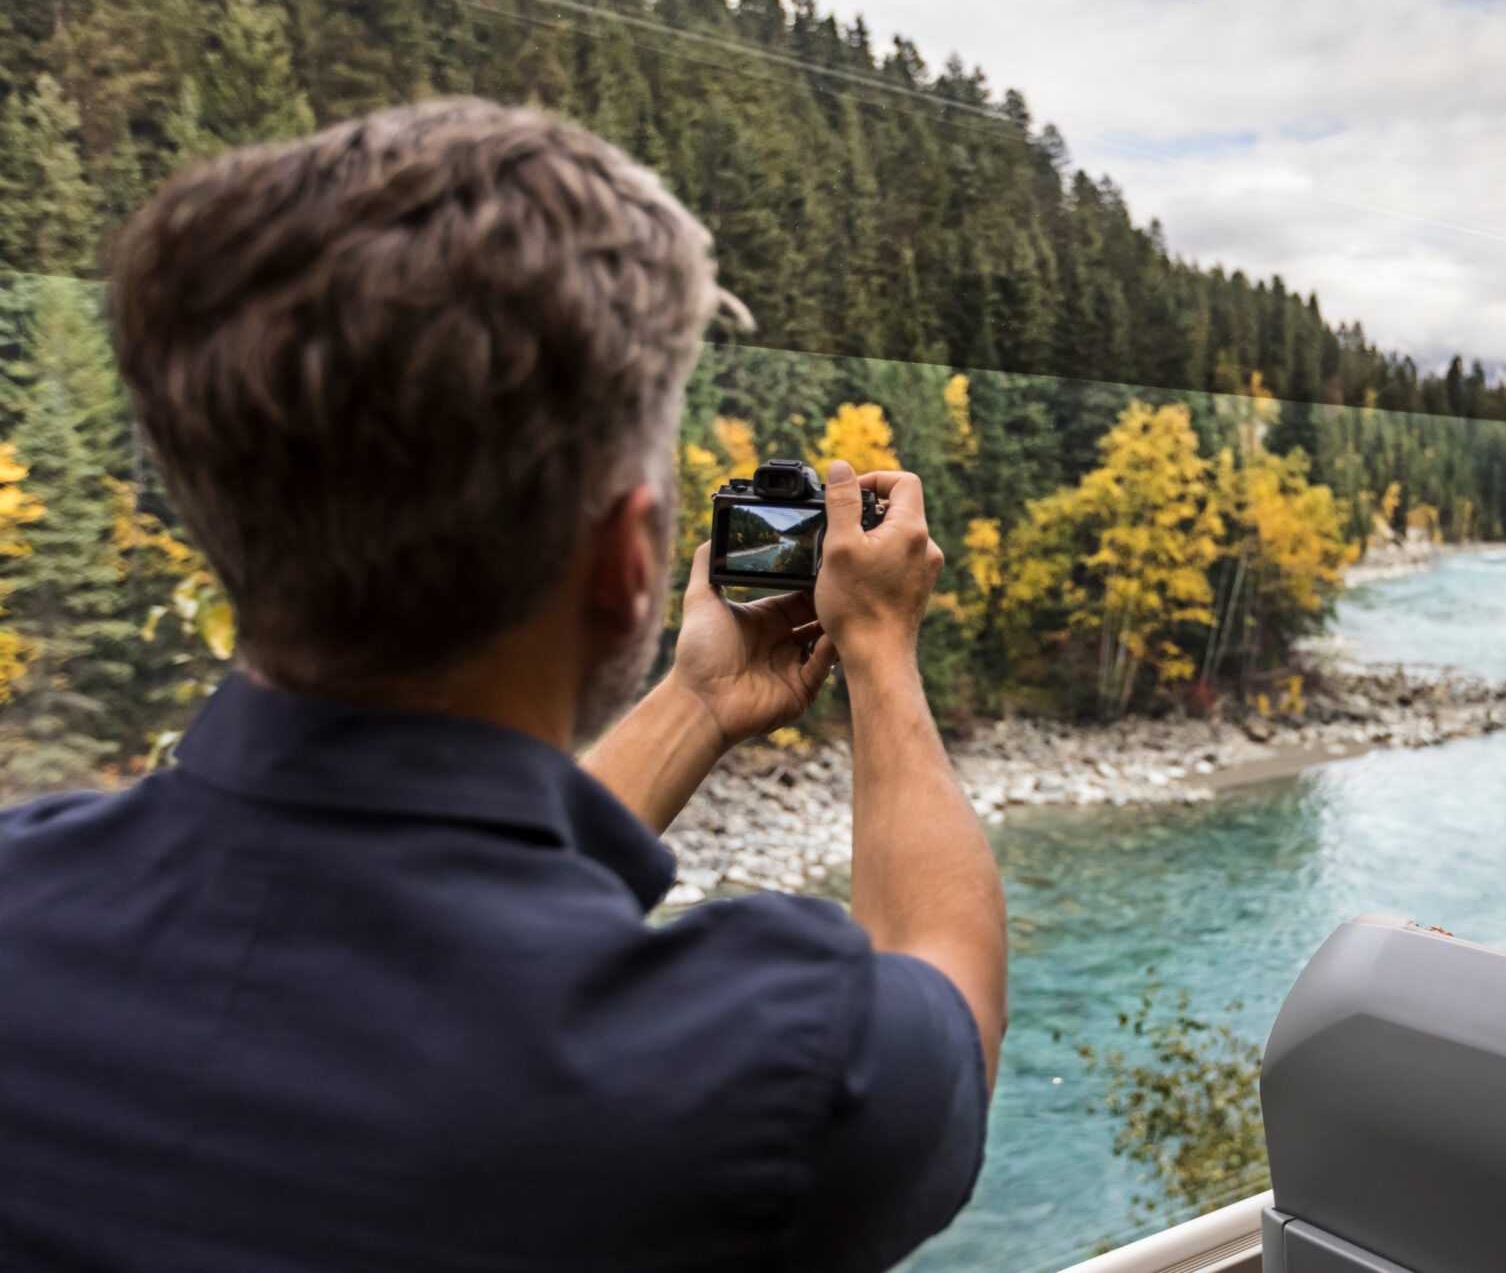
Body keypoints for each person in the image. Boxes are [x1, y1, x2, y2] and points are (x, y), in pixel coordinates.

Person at [0, 99, 1007, 1272]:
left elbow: (411, 918)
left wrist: (696, 703)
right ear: (631, 562)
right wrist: (877, 645)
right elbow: (948, 995)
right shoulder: (743, 1066)